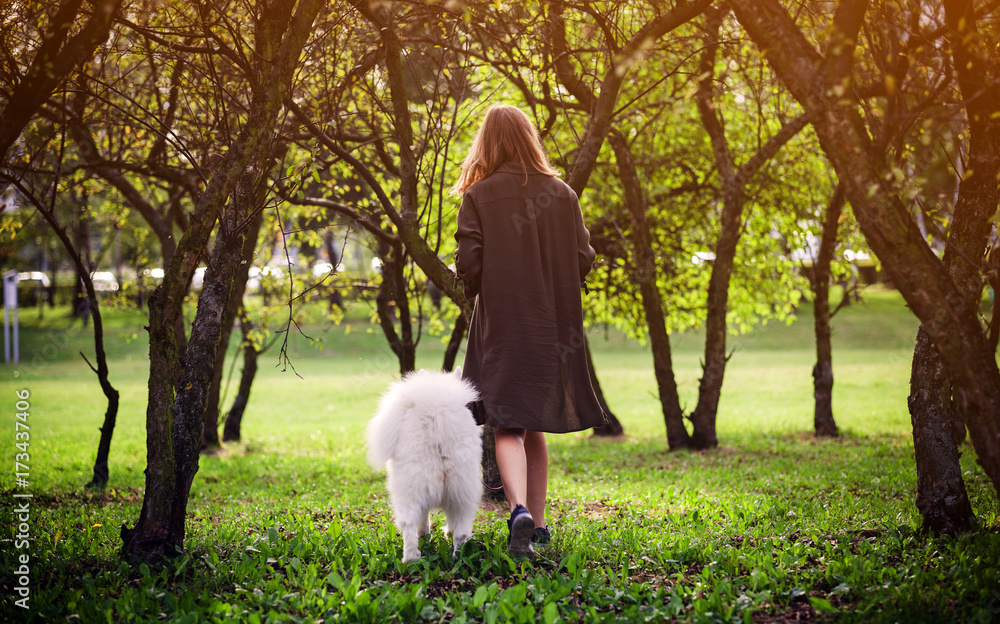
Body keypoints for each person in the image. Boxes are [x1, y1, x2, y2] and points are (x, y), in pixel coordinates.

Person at [452, 104, 608, 557]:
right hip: (552, 328)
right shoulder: (563, 194)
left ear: (487, 143)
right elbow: (584, 258)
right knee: (534, 423)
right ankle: (537, 527)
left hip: (503, 327)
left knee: (507, 424)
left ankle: (518, 510)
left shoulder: (479, 196)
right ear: (529, 138)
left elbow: (469, 264)